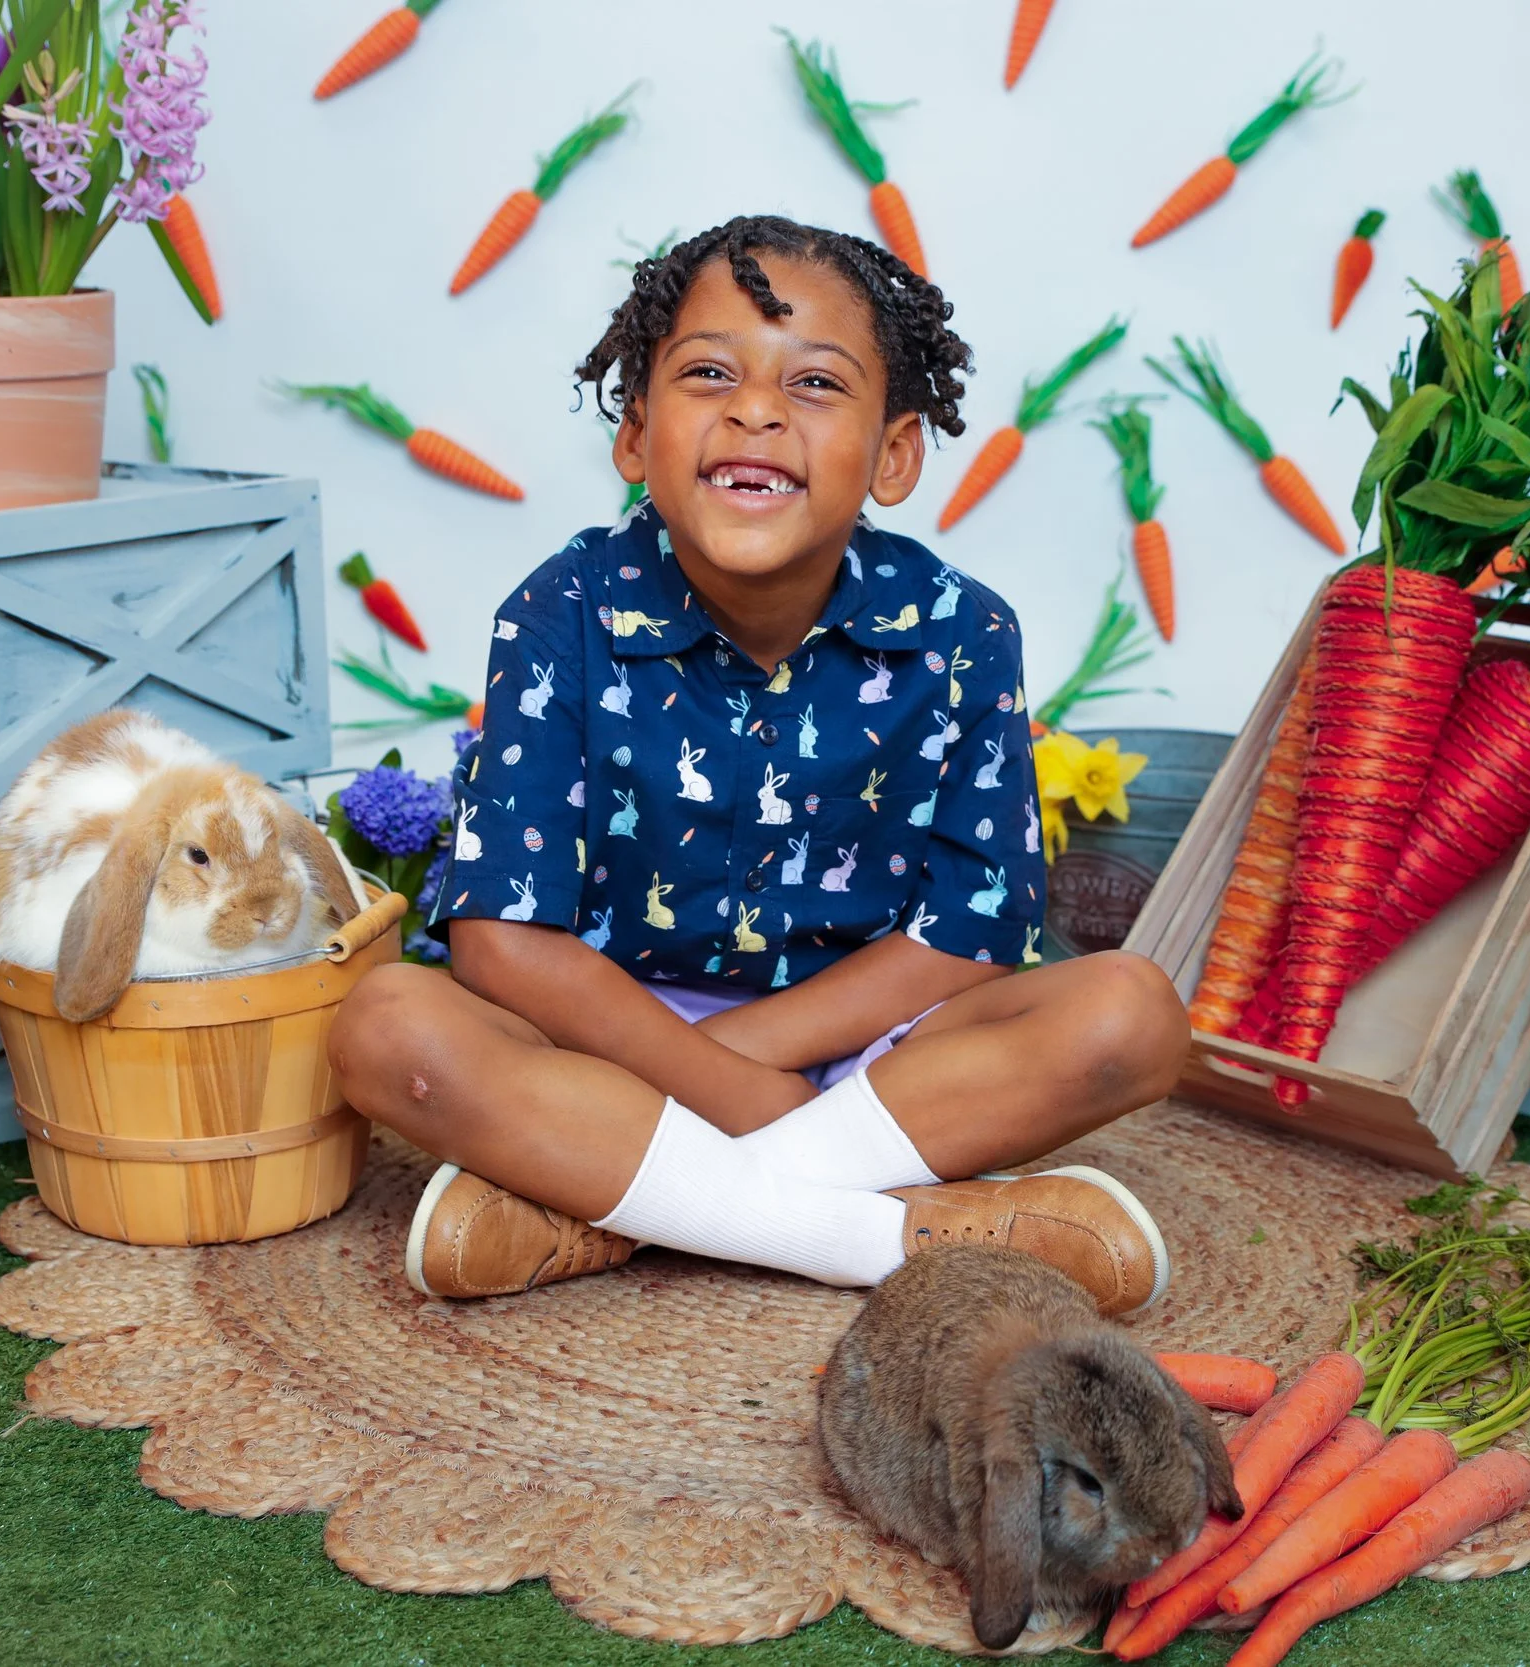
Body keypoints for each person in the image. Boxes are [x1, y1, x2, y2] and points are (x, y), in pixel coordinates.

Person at [329, 215, 1190, 1318]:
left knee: (1130, 1012)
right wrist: (715, 1084)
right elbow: (503, 938)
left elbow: (968, 932)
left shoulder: (962, 629)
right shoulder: (561, 610)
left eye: (817, 383)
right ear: (635, 436)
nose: (756, 408)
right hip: (598, 1048)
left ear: (893, 454)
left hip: (871, 1065)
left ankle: (604, 1213)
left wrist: (735, 1071)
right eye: (707, 373)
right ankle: (889, 1234)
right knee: (386, 1025)